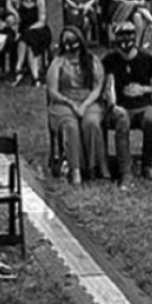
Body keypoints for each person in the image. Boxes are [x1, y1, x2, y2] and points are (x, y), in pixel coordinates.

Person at [103, 22, 152, 186]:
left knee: (151, 120)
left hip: (143, 106)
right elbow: (104, 86)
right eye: (121, 35)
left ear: (135, 36)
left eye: (129, 34)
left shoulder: (147, 59)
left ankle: (148, 164)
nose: (125, 39)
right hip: (120, 108)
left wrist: (145, 89)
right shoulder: (109, 60)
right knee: (122, 122)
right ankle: (125, 172)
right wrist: (112, 105)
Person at [45, 27, 106, 185]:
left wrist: (84, 105)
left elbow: (97, 88)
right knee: (71, 126)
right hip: (63, 101)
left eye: (72, 41)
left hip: (89, 99)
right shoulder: (57, 63)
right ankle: (75, 169)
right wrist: (70, 103)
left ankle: (93, 166)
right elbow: (52, 91)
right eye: (65, 41)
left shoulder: (92, 61)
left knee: (91, 123)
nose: (69, 45)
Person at [9, 0, 52, 86]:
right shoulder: (17, 3)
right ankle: (35, 77)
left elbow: (42, 21)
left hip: (40, 31)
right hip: (25, 34)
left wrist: (29, 29)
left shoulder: (39, 2)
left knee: (27, 37)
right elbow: (9, 7)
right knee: (27, 40)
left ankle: (18, 69)